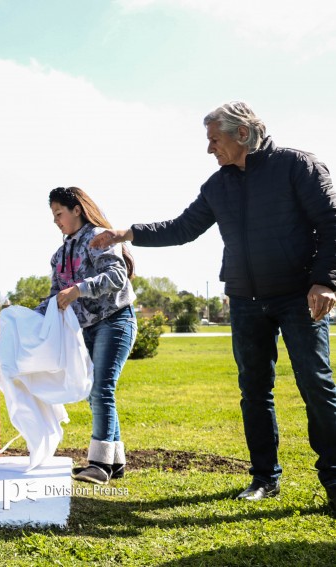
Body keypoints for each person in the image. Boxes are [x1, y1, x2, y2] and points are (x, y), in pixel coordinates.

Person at [92, 101, 336, 511]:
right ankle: (264, 478)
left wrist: (325, 281)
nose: (210, 149)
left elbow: (332, 222)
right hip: (244, 299)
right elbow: (183, 228)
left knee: (316, 385)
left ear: (242, 134)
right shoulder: (217, 185)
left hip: (298, 296)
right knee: (254, 391)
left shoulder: (297, 166)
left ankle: (333, 478)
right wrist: (126, 233)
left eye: (214, 140)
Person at [35, 186, 137, 485]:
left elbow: (117, 277)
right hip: (88, 328)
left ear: (76, 210)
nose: (56, 221)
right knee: (97, 391)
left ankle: (98, 465)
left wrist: (80, 288)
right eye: (53, 216)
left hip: (116, 320)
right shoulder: (60, 254)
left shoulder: (100, 238)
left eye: (59, 214)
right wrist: (24, 317)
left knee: (100, 389)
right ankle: (114, 462)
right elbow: (56, 298)